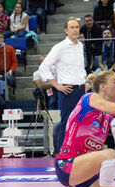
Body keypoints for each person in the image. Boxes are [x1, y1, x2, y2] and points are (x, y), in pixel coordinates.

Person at [44, 71, 115, 187]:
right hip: (68, 164)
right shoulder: (90, 98)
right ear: (102, 87)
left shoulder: (107, 114)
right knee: (111, 154)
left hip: (85, 168)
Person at [39, 17, 89, 154]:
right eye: (72, 27)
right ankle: (62, 152)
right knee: (67, 122)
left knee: (81, 122)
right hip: (67, 90)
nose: (75, 30)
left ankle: (77, 150)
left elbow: (80, 67)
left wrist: (85, 81)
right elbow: (44, 67)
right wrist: (56, 85)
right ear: (66, 30)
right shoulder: (59, 47)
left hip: (81, 89)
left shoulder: (80, 45)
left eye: (77, 27)